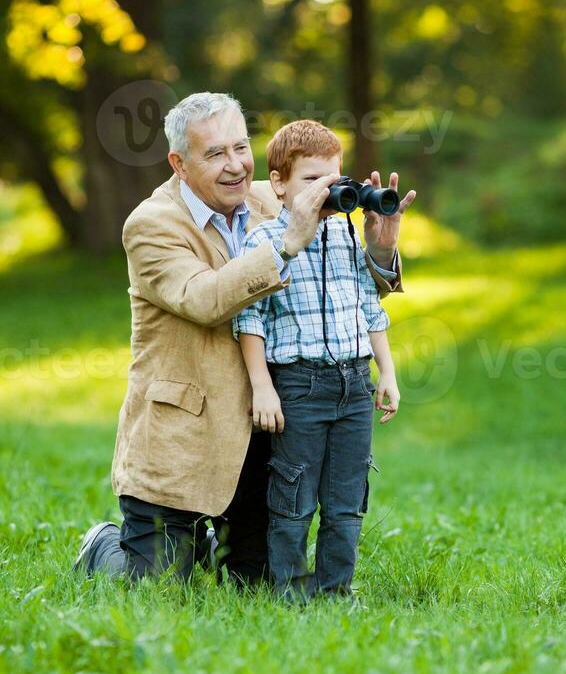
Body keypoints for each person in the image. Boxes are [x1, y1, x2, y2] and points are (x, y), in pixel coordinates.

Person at [74, 92, 414, 584]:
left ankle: (212, 544)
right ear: (180, 163)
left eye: (240, 147)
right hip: (183, 444)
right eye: (214, 154)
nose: (235, 166)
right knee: (158, 586)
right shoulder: (151, 226)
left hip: (265, 435)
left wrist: (380, 248)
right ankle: (106, 544)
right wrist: (284, 243)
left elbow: (344, 281)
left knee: (255, 581)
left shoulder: (269, 197)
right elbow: (205, 299)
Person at [233, 121, 403, 600]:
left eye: (332, 178)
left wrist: (385, 371)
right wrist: (262, 387)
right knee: (294, 496)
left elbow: (370, 306)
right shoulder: (263, 241)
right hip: (299, 385)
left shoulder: (348, 237)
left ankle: (335, 592)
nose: (325, 190)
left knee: (347, 501)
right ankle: (289, 590)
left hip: (354, 383)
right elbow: (250, 319)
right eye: (311, 180)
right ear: (279, 183)